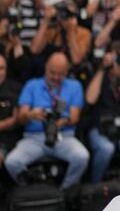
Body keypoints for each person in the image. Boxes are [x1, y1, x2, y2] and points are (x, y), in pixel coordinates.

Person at [3, 52, 89, 188]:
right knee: (12, 162)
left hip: (63, 137)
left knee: (81, 156)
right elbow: (20, 117)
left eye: (60, 74)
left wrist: (61, 122)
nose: (55, 77)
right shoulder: (32, 85)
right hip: (34, 138)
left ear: (67, 71)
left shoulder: (74, 86)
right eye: (52, 72)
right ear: (46, 67)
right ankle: (34, 190)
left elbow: (75, 117)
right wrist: (31, 115)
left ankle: (64, 192)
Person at [85, 45, 120, 187]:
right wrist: (102, 69)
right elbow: (90, 99)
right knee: (106, 148)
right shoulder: (99, 75)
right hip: (100, 127)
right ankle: (94, 187)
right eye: (117, 57)